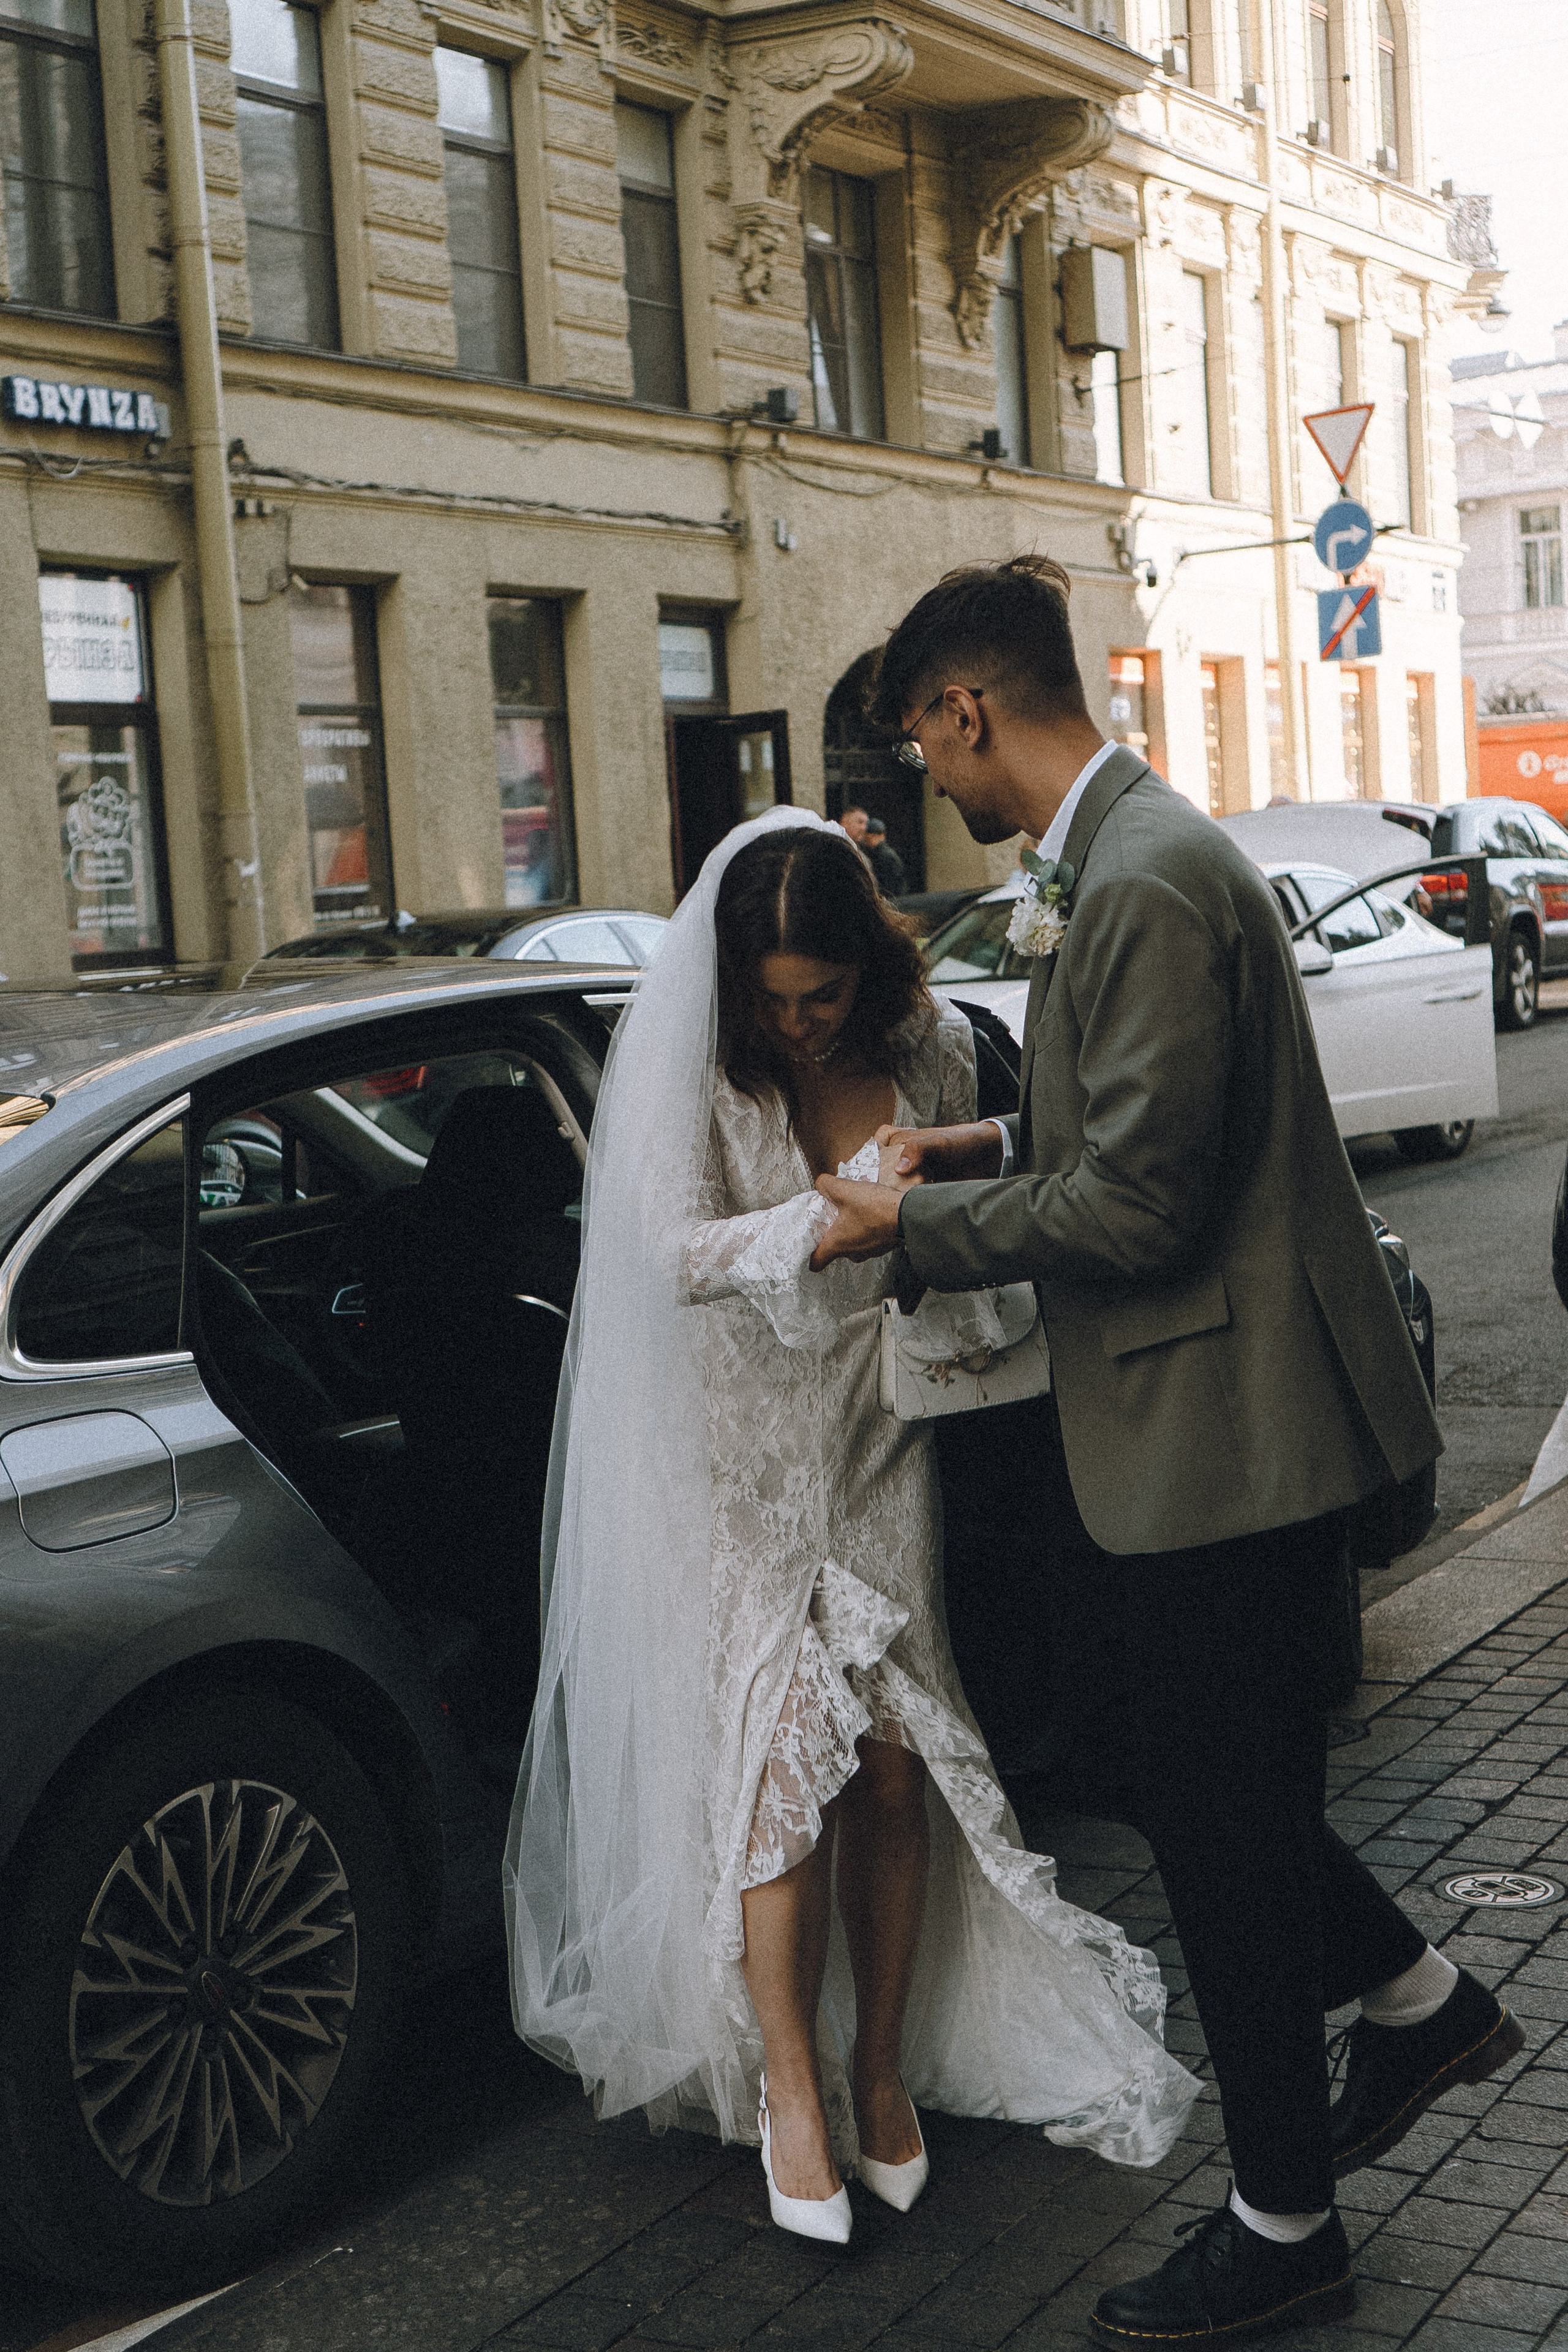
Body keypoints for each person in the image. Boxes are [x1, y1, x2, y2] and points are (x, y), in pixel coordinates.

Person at [812, 555, 1521, 2345]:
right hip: (1208, 1429)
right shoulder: (1130, 856)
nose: (935, 786)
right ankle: (1415, 1999)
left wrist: (903, 1226)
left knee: (1212, 1827)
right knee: (1180, 1776)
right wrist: (975, 1148)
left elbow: (1136, 1205)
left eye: (928, 748)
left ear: (966, 706)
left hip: (1225, 1434)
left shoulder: (1135, 877)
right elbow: (1123, 1127)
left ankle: (1285, 2223)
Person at [507, 808, 1197, 2251]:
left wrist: (946, 1183)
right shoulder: (703, 1066)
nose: (797, 1022)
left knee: (891, 1773)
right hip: (741, 1453)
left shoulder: (929, 1045)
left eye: (819, 995)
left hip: (883, 1432)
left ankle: (881, 2065)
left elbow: (996, 1177)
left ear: (865, 971)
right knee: (781, 1774)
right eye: (773, 1000)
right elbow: (655, 1252)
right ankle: (790, 2089)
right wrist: (811, 1231)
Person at [863, 816, 907, 897]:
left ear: (881, 836)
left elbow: (890, 884)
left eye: (873, 836)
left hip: (891, 897)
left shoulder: (885, 855)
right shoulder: (875, 853)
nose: (869, 840)